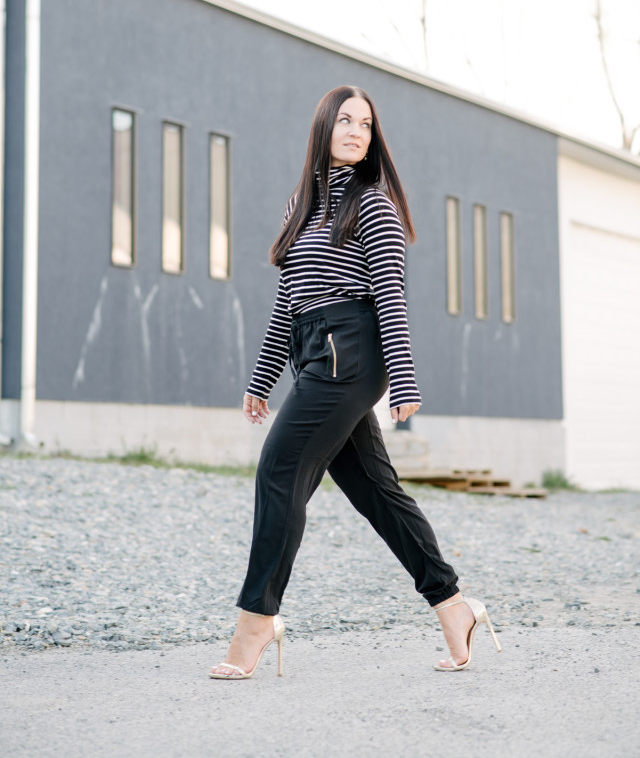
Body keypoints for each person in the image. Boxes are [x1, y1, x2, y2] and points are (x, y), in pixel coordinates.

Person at [209, 85, 501, 680]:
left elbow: (390, 294)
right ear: (324, 127)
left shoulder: (372, 203)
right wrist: (261, 379)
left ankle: (256, 621)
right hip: (315, 354)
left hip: (354, 354)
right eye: (345, 120)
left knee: (279, 471)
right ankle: (453, 606)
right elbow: (288, 300)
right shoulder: (300, 204)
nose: (355, 131)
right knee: (375, 490)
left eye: (365, 124)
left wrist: (403, 379)